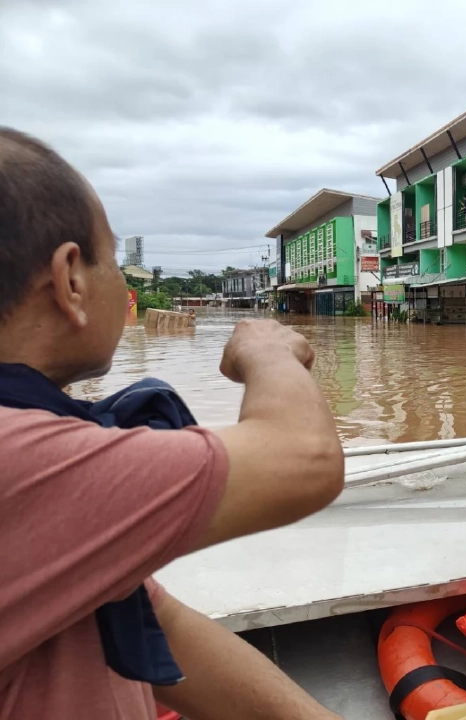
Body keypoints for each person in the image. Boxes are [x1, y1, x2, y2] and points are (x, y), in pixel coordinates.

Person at [0, 127, 346, 719]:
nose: (126, 286)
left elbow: (162, 624)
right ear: (70, 280)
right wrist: (269, 353)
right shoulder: (23, 457)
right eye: (114, 262)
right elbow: (304, 458)